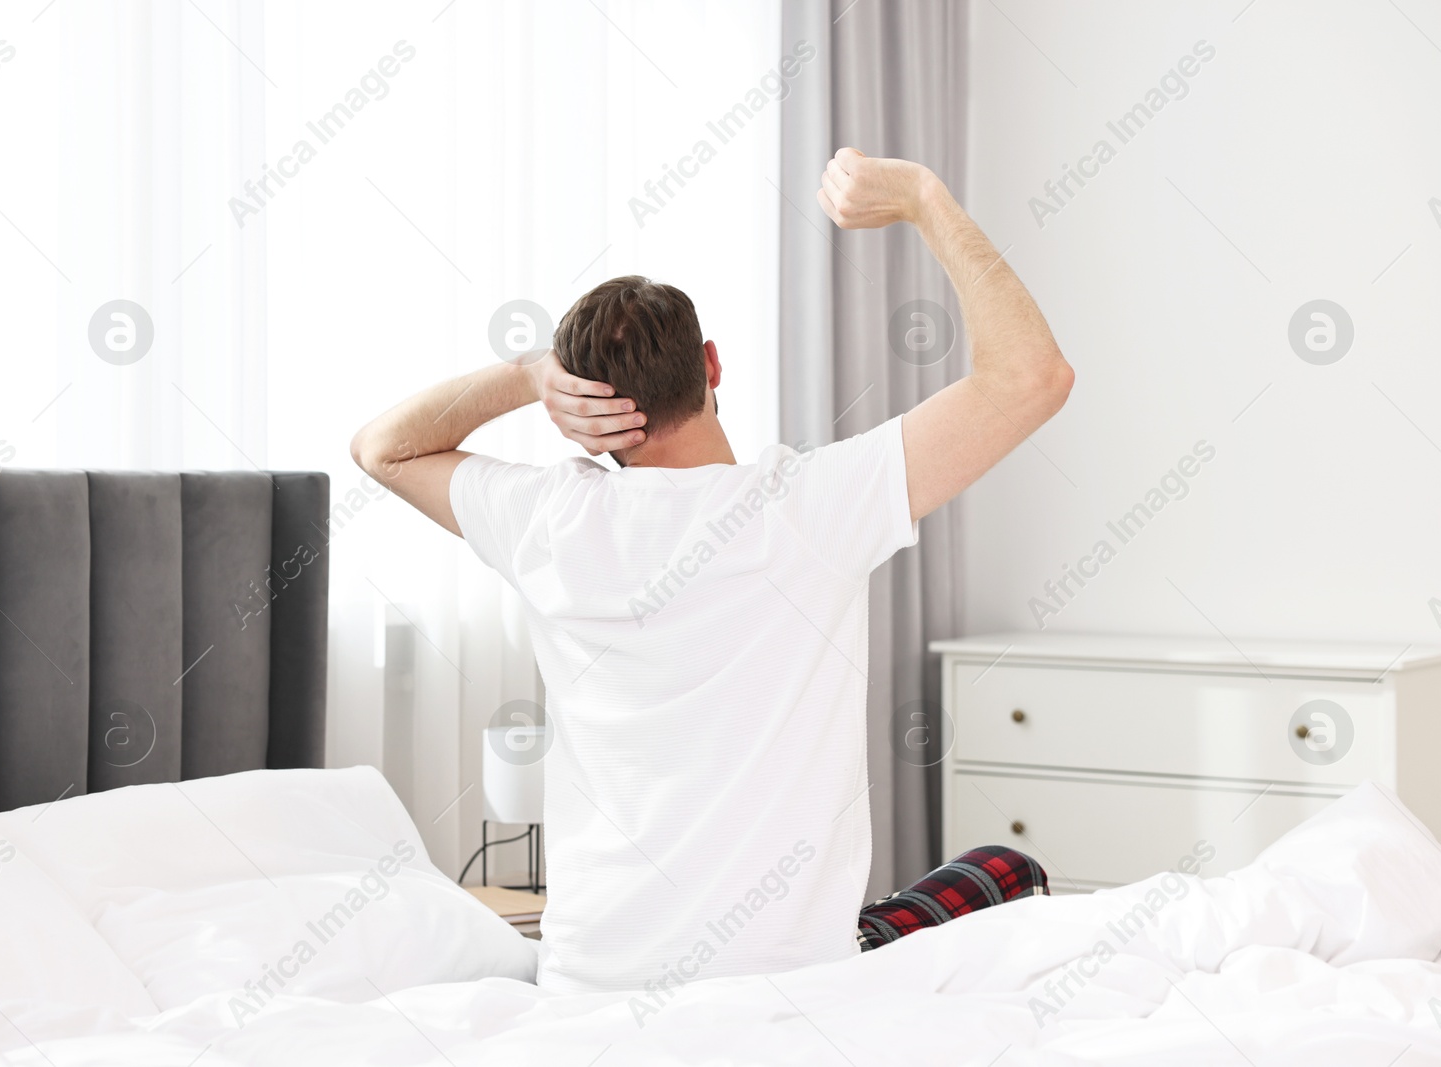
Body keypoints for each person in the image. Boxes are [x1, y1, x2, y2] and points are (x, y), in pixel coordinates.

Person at [351, 148, 1073, 996]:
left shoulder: (545, 520)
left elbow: (381, 447)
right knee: (1006, 867)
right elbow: (1033, 375)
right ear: (713, 365)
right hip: (785, 986)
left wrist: (523, 377)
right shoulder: (810, 508)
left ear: (582, 403)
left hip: (590, 985)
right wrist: (924, 197)